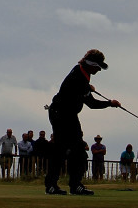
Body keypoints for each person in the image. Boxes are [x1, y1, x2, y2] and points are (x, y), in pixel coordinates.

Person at [43, 49, 120, 196]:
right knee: (61, 150)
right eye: (97, 66)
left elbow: (83, 91)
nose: (99, 69)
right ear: (91, 64)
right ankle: (52, 185)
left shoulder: (81, 72)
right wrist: (110, 103)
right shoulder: (79, 77)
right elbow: (92, 104)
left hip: (68, 115)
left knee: (78, 150)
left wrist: (88, 88)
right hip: (60, 114)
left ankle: (75, 185)